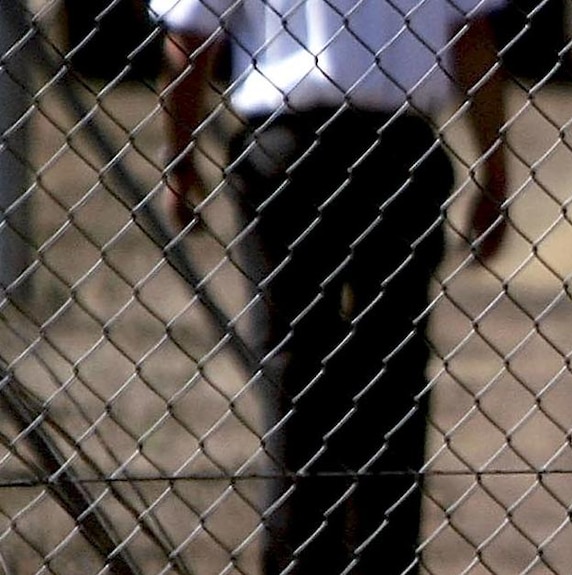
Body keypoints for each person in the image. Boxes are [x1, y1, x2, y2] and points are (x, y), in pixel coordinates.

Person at [149, 0, 509, 572]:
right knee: (393, 371)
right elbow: (472, 35)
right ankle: (384, 556)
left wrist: (179, 155)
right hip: (399, 152)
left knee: (294, 372)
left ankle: (298, 554)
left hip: (285, 150)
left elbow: (190, 36)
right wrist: (494, 169)